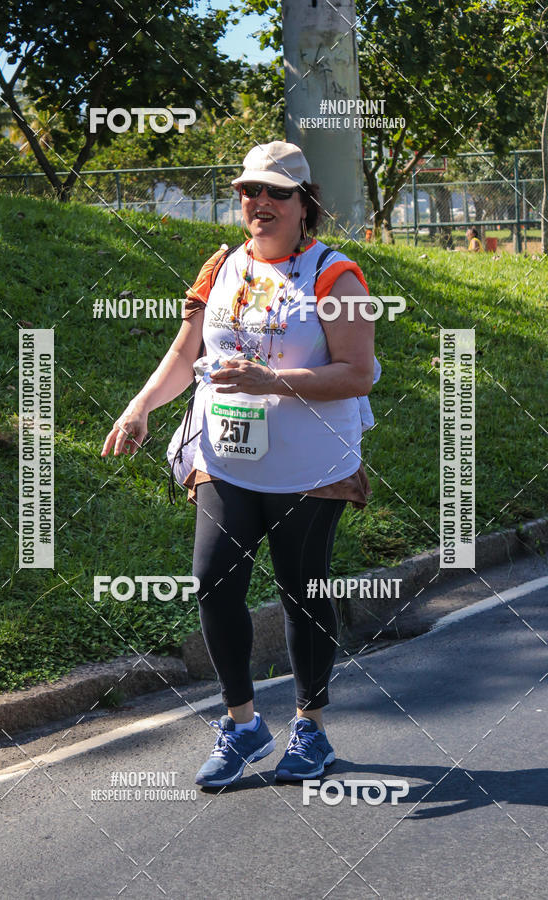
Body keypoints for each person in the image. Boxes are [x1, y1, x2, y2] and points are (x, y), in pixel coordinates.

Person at [101, 140, 378, 788]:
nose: (259, 203)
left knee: (302, 592)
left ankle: (309, 726)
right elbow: (183, 353)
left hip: (309, 467)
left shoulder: (336, 276)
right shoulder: (220, 266)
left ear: (304, 203)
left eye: (275, 192)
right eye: (248, 191)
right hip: (227, 457)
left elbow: (358, 374)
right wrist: (141, 407)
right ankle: (243, 722)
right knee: (213, 579)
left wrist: (269, 382)